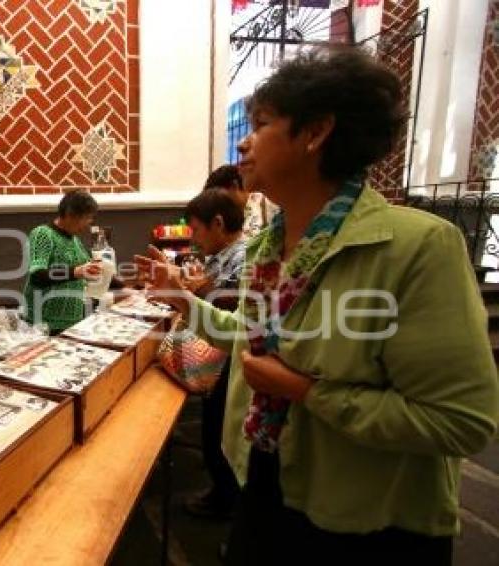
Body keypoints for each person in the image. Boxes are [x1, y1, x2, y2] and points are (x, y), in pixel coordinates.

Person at [137, 48, 499, 565]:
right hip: (265, 484)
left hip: (365, 527)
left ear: (316, 133)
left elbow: (460, 421)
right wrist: (180, 300)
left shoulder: (418, 246)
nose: (243, 140)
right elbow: (251, 338)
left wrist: (306, 391)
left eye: (261, 123)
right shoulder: (269, 247)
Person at [178, 189, 246, 520]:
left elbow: (227, 306)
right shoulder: (221, 256)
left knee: (220, 428)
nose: (193, 238)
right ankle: (221, 493)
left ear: (217, 223)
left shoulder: (244, 255)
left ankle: (224, 500)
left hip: (230, 356)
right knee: (213, 425)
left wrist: (191, 291)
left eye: (195, 229)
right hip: (217, 351)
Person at [23, 189, 102, 333]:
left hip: (71, 324)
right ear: (70, 215)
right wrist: (76, 272)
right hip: (45, 325)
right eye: (86, 218)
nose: (88, 224)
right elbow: (37, 275)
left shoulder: (75, 241)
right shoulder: (43, 234)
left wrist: (125, 287)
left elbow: (90, 269)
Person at [204, 164, 275, 239]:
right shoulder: (236, 215)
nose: (221, 204)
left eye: (220, 197)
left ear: (234, 185)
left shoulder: (267, 203)